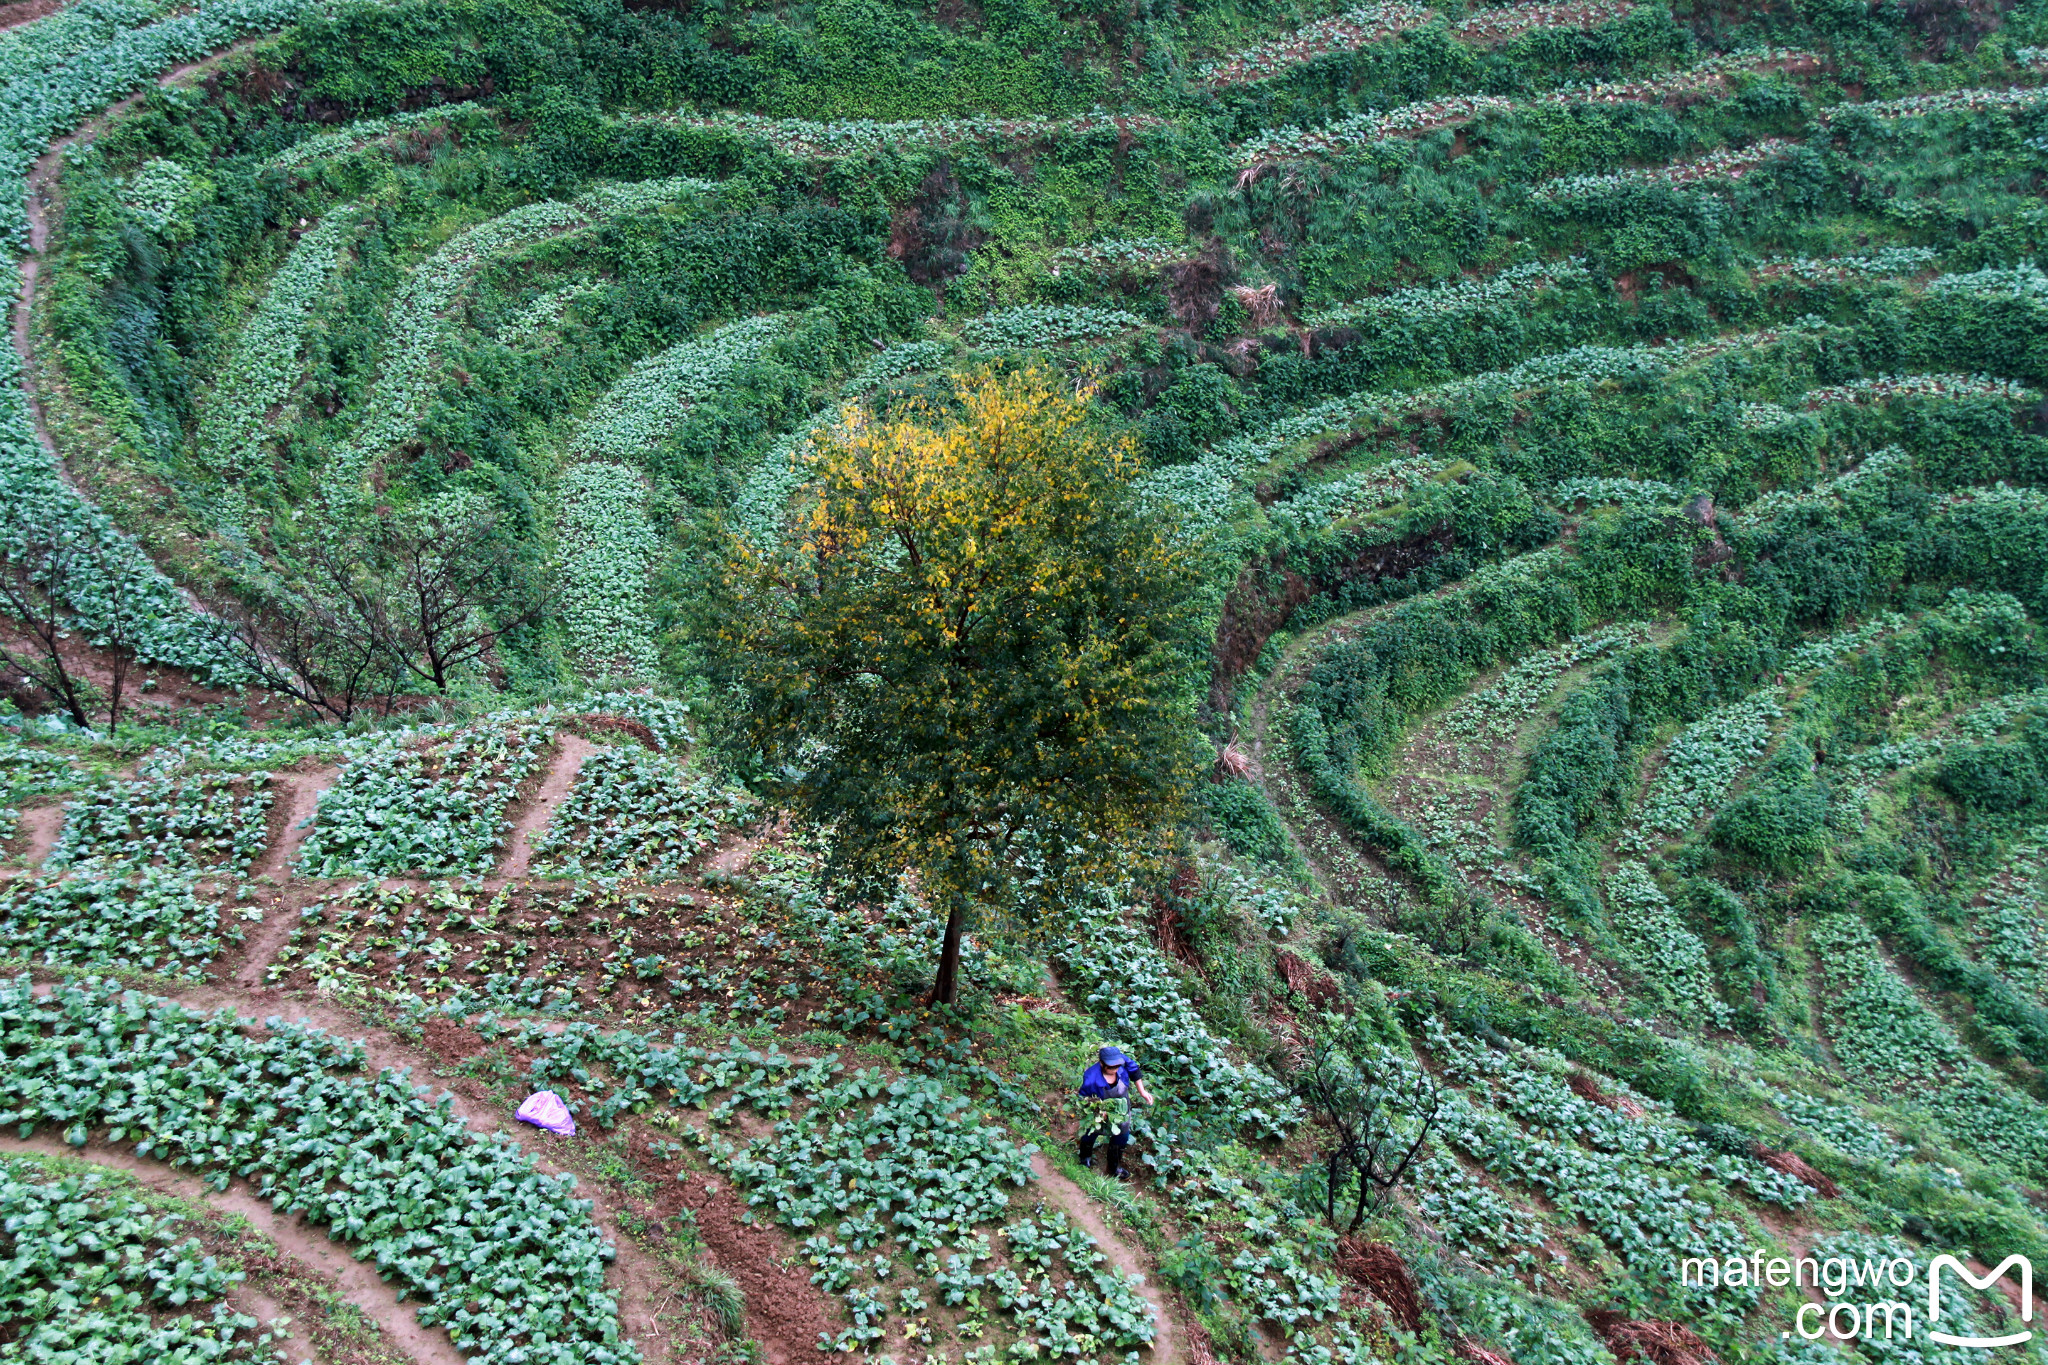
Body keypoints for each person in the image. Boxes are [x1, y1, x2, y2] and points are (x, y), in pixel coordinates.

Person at [1076, 1045, 1154, 1181]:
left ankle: (1113, 1167)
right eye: (1110, 1067)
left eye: (1117, 1067)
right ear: (1101, 1063)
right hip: (1099, 1109)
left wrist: (1142, 1091)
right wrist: (1099, 1110)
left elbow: (1134, 1070)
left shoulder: (1120, 1060)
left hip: (1120, 1108)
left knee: (1122, 1135)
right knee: (1091, 1132)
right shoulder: (1091, 1077)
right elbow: (1084, 1099)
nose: (1115, 1070)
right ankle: (1085, 1157)